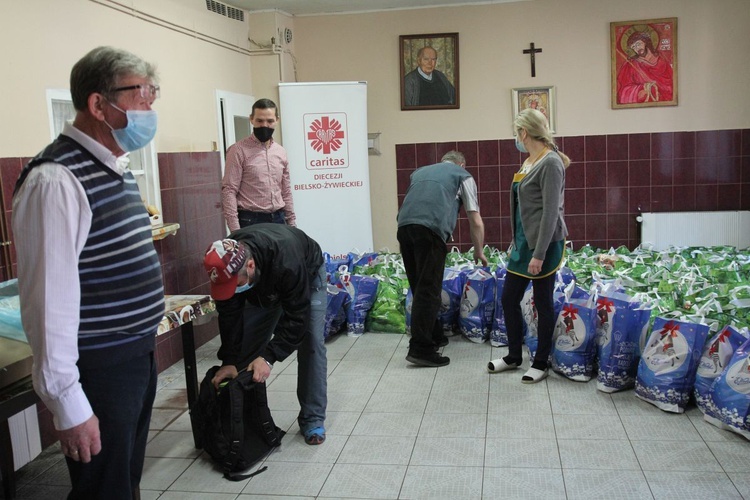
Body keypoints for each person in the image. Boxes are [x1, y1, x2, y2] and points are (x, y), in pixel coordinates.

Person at [12, 46, 164, 498]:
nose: (149, 109)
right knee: (104, 490)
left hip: (134, 357)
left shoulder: (113, 167)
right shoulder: (55, 180)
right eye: (141, 95)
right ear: (99, 104)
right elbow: (47, 305)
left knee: (123, 482)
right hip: (99, 370)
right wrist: (68, 404)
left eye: (153, 95)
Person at [203, 223, 327, 445]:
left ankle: (312, 419)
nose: (232, 290)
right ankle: (246, 423)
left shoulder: (287, 260)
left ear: (250, 265)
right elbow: (230, 317)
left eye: (236, 285)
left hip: (306, 273)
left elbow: (297, 318)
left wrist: (269, 358)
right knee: (246, 351)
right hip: (263, 283)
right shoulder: (228, 266)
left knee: (311, 344)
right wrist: (230, 360)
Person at [487, 108, 570, 384]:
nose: (516, 138)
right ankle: (513, 356)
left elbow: (550, 212)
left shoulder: (551, 163)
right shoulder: (528, 162)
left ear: (524, 132)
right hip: (523, 244)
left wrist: (539, 254)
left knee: (543, 303)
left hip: (544, 246)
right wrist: (516, 241)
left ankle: (541, 362)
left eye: (516, 133)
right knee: (509, 299)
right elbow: (523, 208)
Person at [397, 151, 488, 367]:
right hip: (430, 230)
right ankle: (420, 349)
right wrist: (479, 250)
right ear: (462, 164)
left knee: (420, 286)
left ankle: (434, 335)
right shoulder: (462, 175)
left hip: (404, 227)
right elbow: (475, 219)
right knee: (428, 290)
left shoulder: (419, 173)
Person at [221, 98, 296, 231]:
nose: (265, 125)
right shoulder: (238, 150)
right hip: (250, 221)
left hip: (279, 219)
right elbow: (229, 190)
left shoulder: (280, 151)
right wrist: (236, 231)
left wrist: (292, 224)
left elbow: (286, 190)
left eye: (270, 121)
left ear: (277, 120)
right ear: (251, 119)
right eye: (260, 121)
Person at [616, 30, 673, 104]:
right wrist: (641, 89)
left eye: (638, 44)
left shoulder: (662, 60)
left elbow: (671, 85)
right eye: (633, 47)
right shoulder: (631, 65)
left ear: (645, 42)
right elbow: (623, 90)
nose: (637, 48)